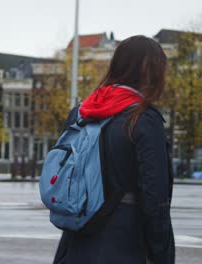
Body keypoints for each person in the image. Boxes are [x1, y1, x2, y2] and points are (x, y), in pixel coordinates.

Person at [53, 35, 175, 264]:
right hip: (125, 245)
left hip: (75, 244)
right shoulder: (144, 120)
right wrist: (162, 255)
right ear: (152, 73)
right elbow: (154, 198)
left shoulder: (80, 113)